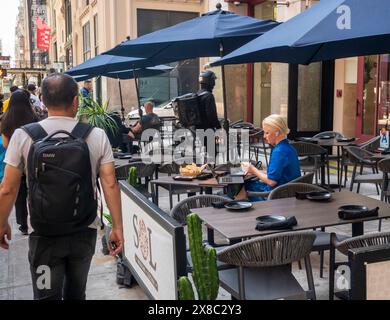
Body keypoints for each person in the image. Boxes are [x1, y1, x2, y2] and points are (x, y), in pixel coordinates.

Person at [0, 73, 124, 300]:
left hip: (43, 236)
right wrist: (117, 226)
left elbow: (8, 188)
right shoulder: (96, 135)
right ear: (76, 101)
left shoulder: (23, 135)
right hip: (83, 232)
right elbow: (110, 183)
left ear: (43, 100)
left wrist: (1, 224)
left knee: (45, 295)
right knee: (77, 294)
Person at [236, 114, 301, 202]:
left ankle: (236, 207)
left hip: (276, 196)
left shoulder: (279, 151)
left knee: (243, 185)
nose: (264, 136)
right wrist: (256, 172)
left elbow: (271, 181)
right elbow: (279, 172)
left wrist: (253, 169)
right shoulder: (290, 148)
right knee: (248, 184)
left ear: (277, 132)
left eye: (267, 132)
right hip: (288, 192)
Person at [0, 89, 38, 235]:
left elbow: (4, 144)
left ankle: (23, 225)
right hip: (32, 160)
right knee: (33, 192)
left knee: (19, 195)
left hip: (15, 163)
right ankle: (35, 220)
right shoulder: (34, 117)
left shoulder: (6, 119)